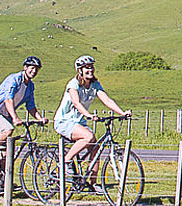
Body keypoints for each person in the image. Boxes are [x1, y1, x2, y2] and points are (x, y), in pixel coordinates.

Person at [55, 55, 129, 184]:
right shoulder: (73, 84)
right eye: (87, 68)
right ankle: (65, 161)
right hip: (64, 121)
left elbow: (107, 100)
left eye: (91, 67)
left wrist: (122, 113)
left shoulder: (95, 84)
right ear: (80, 70)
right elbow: (76, 103)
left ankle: (93, 183)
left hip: (79, 123)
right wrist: (88, 115)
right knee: (88, 136)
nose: (90, 70)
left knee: (95, 148)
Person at [0, 56, 46, 164]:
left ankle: (2, 174)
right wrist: (15, 118)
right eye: (32, 68)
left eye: (36, 69)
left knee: (7, 153)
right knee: (8, 129)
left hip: (5, 116)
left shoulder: (30, 86)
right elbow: (8, 99)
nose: (34, 71)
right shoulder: (14, 79)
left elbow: (31, 106)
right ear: (25, 67)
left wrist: (40, 118)